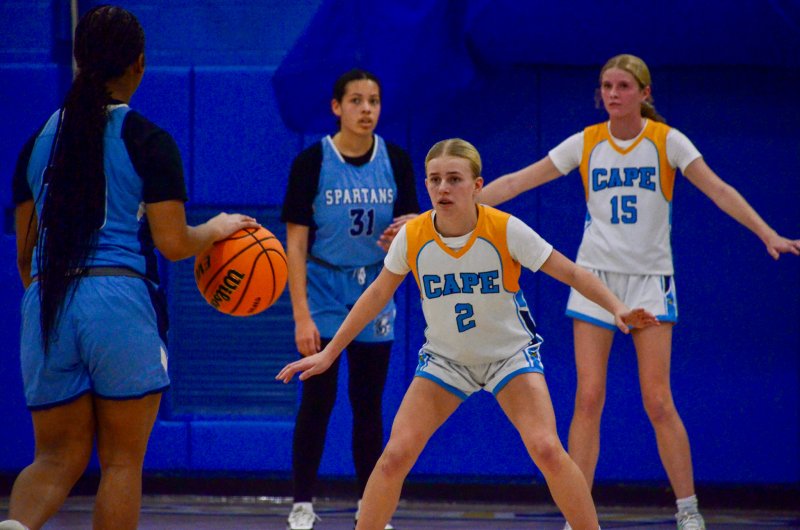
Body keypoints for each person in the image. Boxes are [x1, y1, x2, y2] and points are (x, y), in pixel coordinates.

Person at [479, 54, 800, 530]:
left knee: (658, 400)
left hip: (649, 280)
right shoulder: (586, 141)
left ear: (644, 93)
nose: (613, 94)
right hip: (594, 279)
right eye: (607, 86)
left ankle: (688, 510)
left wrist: (766, 232)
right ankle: (577, 515)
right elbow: (516, 181)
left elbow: (719, 189)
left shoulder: (667, 141)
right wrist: (445, 208)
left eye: (623, 86)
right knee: (588, 398)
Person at [277, 138, 660, 530]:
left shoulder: (505, 229)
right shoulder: (413, 236)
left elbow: (573, 273)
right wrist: (329, 353)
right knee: (393, 457)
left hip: (509, 357)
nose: (443, 188)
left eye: (454, 179)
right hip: (447, 360)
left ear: (477, 186)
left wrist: (617, 307)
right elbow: (375, 295)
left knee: (546, 448)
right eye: (435, 179)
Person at [3, 6, 259, 530]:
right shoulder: (147, 140)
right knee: (121, 462)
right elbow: (173, 243)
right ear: (139, 64)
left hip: (47, 303)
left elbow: (25, 256)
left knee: (53, 459)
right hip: (119, 301)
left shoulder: (35, 144)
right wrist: (217, 228)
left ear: (79, 61)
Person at [279, 68, 419, 530]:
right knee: (317, 401)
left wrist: (408, 229)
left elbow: (415, 226)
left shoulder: (396, 160)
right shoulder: (312, 162)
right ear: (336, 107)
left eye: (374, 101)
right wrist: (301, 315)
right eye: (356, 100)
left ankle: (369, 506)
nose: (366, 109)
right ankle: (302, 504)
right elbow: (295, 244)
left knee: (368, 404)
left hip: (374, 288)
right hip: (323, 288)